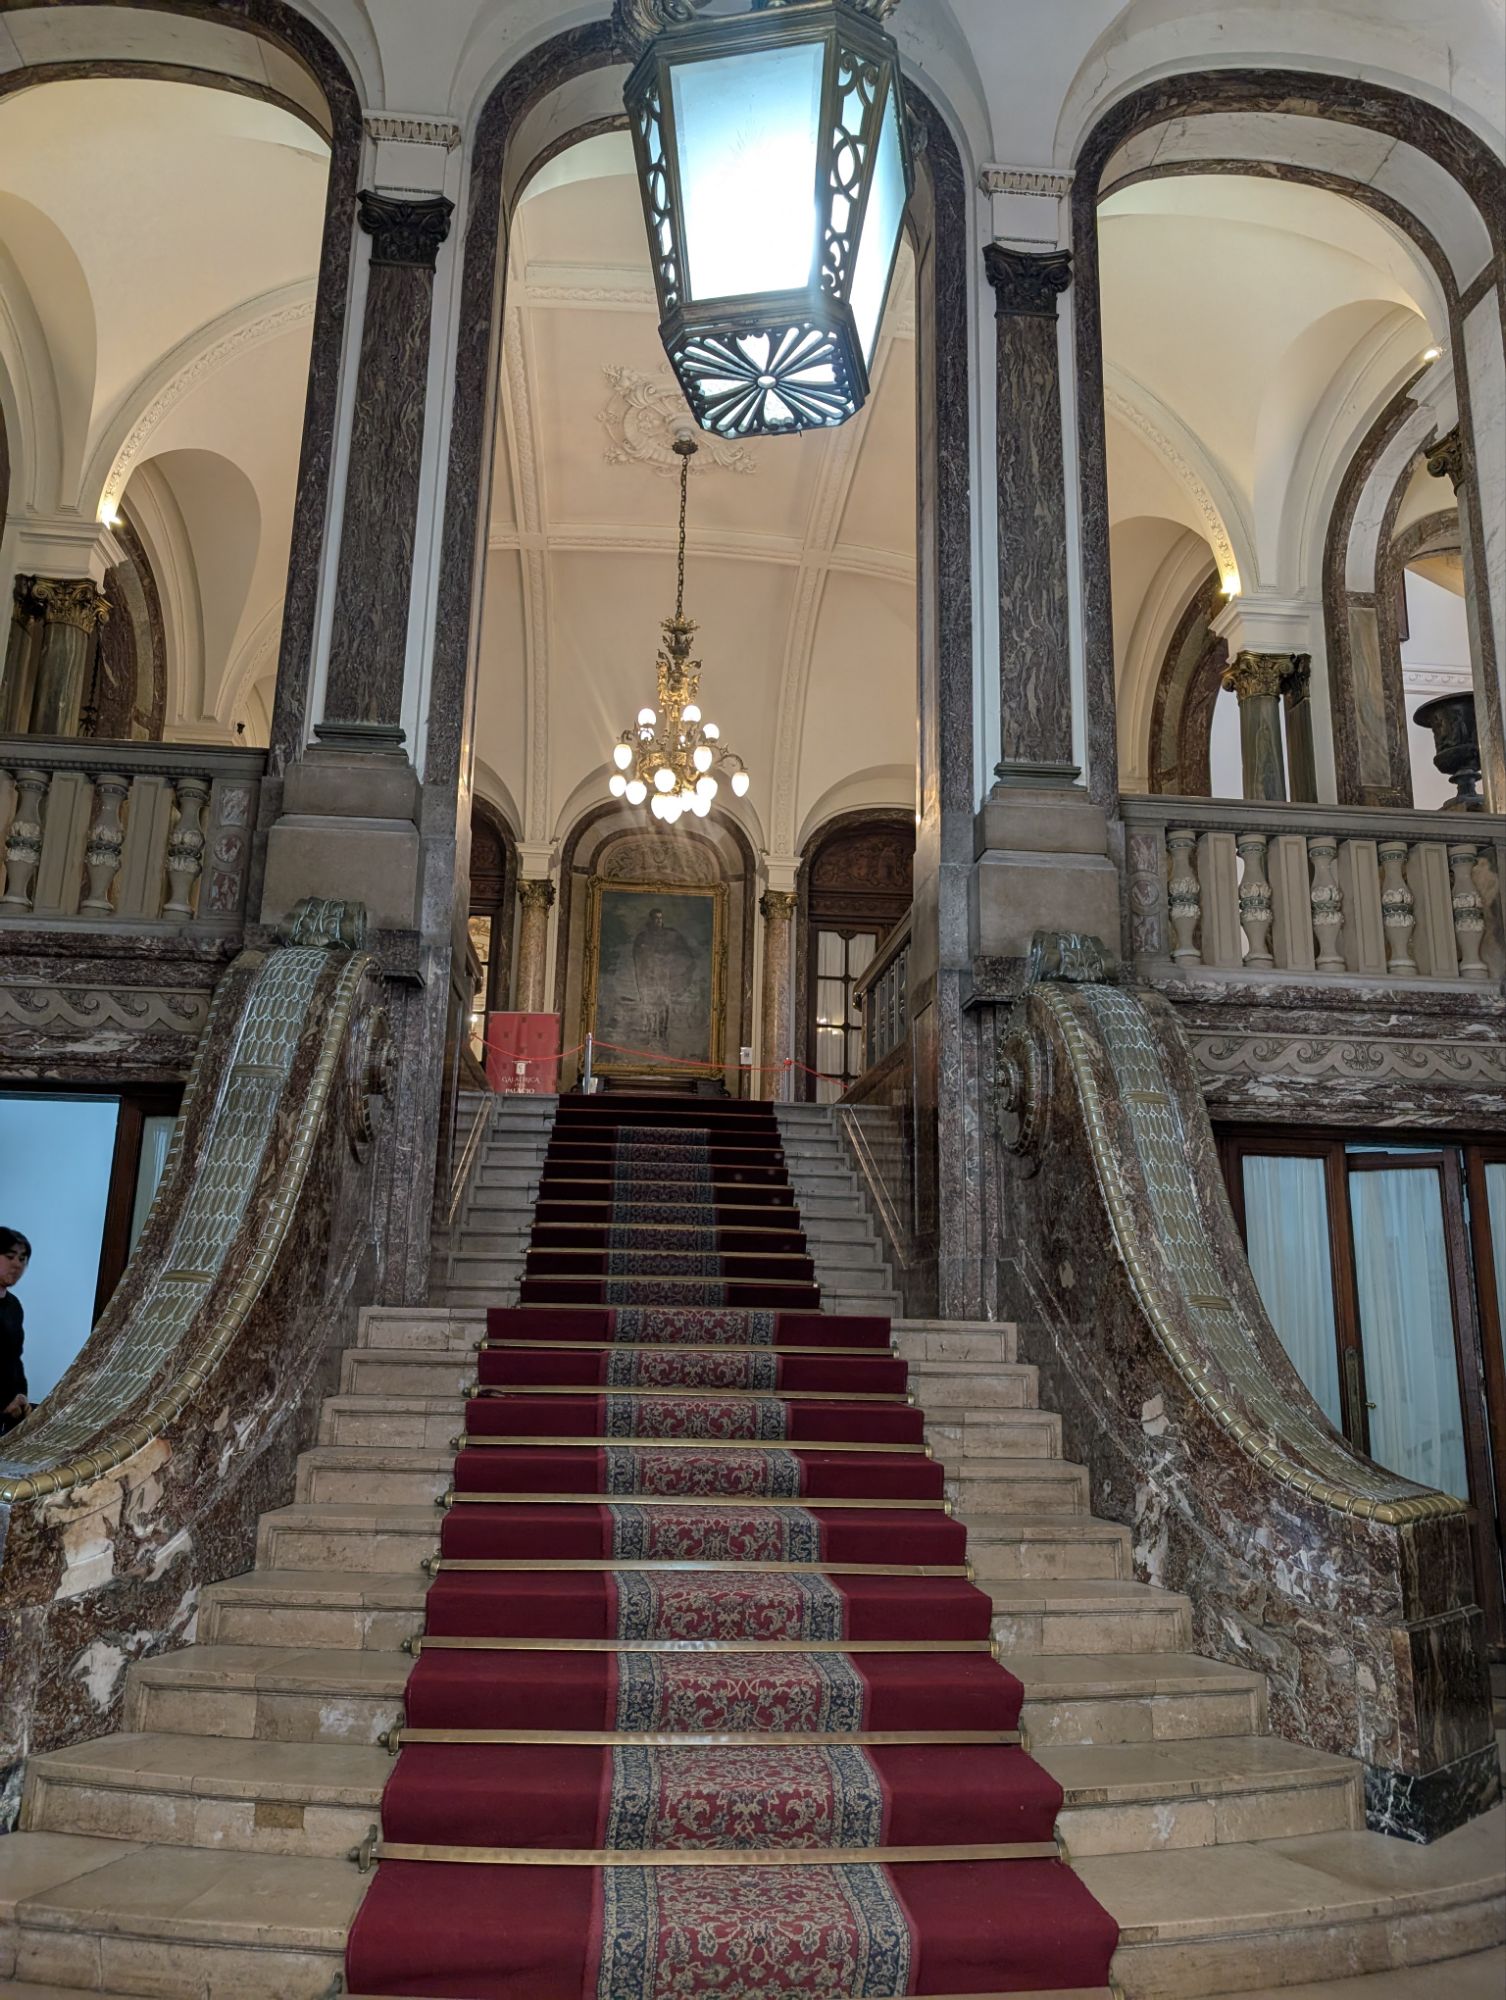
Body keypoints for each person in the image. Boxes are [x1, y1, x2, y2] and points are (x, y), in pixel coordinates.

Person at [0, 1226, 33, 1435]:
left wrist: (21, 1395)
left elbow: (14, 1358)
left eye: (22, 1259)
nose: (17, 1264)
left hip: (10, 1414)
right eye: (10, 1256)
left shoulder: (14, 1306)